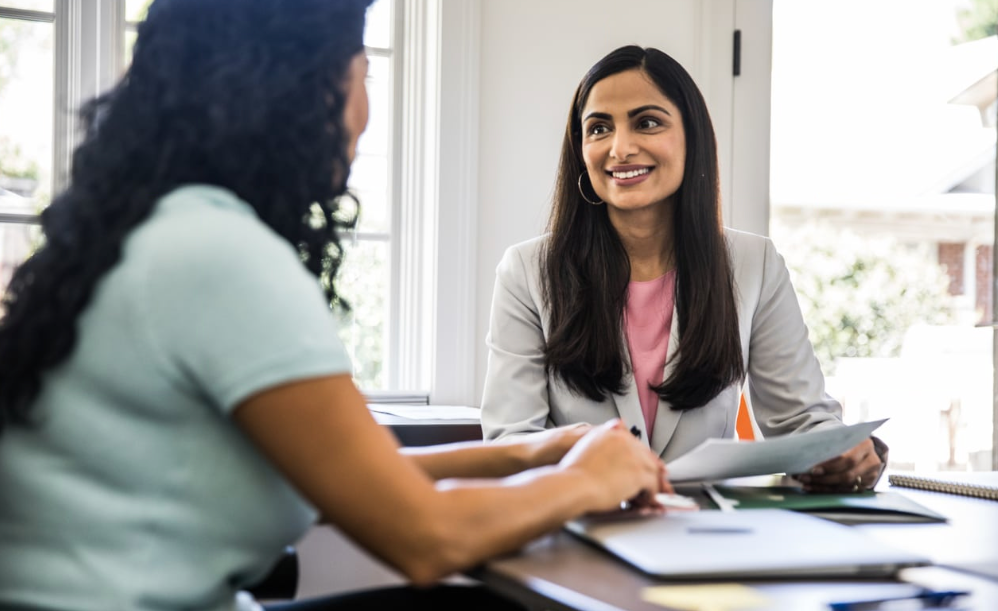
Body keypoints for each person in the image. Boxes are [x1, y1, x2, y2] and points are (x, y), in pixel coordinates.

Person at [0, 4, 671, 611]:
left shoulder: (158, 229)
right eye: (362, 74)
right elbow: (423, 535)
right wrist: (586, 479)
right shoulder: (219, 255)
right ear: (301, 87)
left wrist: (531, 454)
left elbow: (351, 474)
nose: (366, 108)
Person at [479, 45, 887, 494]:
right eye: (599, 128)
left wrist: (838, 452)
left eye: (647, 122)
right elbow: (510, 442)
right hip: (578, 530)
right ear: (580, 150)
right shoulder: (526, 272)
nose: (621, 148)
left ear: (692, 137)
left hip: (708, 536)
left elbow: (800, 420)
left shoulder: (755, 264)